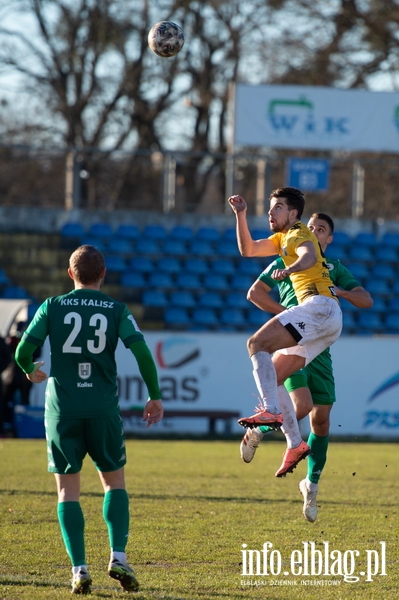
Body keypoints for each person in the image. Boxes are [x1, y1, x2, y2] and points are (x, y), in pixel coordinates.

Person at [15, 245, 164, 595]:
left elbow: (23, 351)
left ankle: (79, 570)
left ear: (71, 274)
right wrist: (154, 395)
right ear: (103, 274)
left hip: (62, 410)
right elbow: (141, 351)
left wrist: (28, 370)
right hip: (102, 409)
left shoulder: (52, 306)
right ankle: (118, 556)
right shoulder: (116, 310)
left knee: (68, 490)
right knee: (114, 483)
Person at [240, 212, 373, 522]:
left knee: (322, 420)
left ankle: (310, 486)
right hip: (294, 333)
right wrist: (288, 312)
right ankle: (262, 428)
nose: (313, 231)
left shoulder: (333, 268)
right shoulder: (286, 255)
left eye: (321, 229)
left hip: (321, 344)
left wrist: (343, 293)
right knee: (302, 404)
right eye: (310, 227)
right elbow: (255, 293)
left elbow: (366, 300)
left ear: (328, 239)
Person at [228, 188, 342, 478]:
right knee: (275, 376)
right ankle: (294, 444)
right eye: (270, 207)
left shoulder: (297, 233)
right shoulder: (282, 238)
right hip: (327, 319)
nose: (271, 212)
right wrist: (241, 215)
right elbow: (248, 250)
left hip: (318, 308)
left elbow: (306, 255)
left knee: (256, 343)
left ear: (293, 214)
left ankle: (269, 411)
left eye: (278, 207)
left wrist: (291, 268)